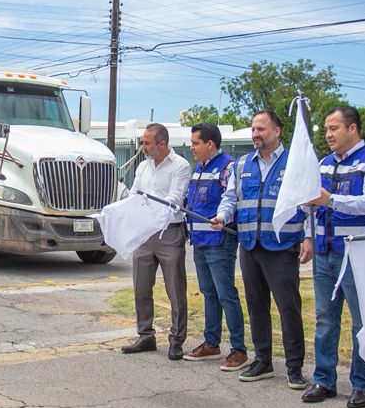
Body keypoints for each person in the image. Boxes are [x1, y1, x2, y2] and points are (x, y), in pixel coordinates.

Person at [301, 106, 365, 405]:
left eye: (334, 128)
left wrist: (332, 200)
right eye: (326, 129)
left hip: (360, 255)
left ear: (352, 129)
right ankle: (324, 380)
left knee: (360, 322)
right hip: (326, 252)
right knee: (325, 320)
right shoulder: (324, 164)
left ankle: (362, 384)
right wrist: (308, 236)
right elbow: (313, 207)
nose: (328, 135)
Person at [218, 110, 307, 385]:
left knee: (288, 307)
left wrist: (309, 237)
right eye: (254, 129)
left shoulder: (296, 163)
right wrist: (222, 215)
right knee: (256, 305)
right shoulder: (242, 164)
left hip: (282, 246)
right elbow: (231, 197)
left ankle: (294, 367)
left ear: (277, 131)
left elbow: (307, 203)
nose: (256, 134)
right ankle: (263, 360)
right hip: (249, 244)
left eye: (262, 129)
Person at [121, 123, 192, 360]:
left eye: (147, 142)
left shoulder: (180, 166)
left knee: (175, 289)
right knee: (141, 286)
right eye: (142, 141)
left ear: (162, 143)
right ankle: (146, 336)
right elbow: (134, 193)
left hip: (169, 234)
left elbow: (174, 198)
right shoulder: (143, 166)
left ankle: (176, 339)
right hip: (144, 233)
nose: (143, 146)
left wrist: (148, 206)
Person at [184, 123, 246, 370]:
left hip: (220, 243)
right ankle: (211, 343)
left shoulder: (228, 168)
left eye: (195, 143)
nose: (192, 148)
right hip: (200, 242)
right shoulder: (198, 169)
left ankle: (239, 350)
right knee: (209, 293)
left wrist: (223, 219)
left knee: (226, 294)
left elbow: (232, 201)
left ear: (210, 144)